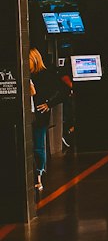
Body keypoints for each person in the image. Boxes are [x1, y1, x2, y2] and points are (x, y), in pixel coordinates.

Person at [28, 48, 65, 193]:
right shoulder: (24, 74)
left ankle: (39, 174)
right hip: (28, 114)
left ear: (35, 60)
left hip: (39, 114)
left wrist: (48, 103)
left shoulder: (45, 75)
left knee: (38, 145)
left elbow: (61, 91)